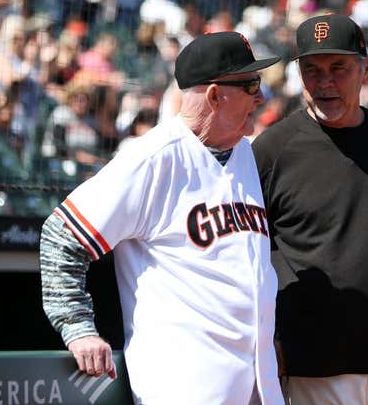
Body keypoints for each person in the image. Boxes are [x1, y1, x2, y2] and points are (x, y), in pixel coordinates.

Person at [40, 31, 283, 405]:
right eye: (251, 85)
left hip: (256, 386)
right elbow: (61, 236)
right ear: (216, 95)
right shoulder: (153, 158)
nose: (260, 98)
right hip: (185, 388)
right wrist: (77, 327)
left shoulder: (245, 155)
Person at [252, 14, 368, 405]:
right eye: (312, 70)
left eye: (338, 68)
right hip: (314, 366)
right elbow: (249, 257)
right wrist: (268, 338)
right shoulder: (271, 151)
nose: (324, 83)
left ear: (366, 68)